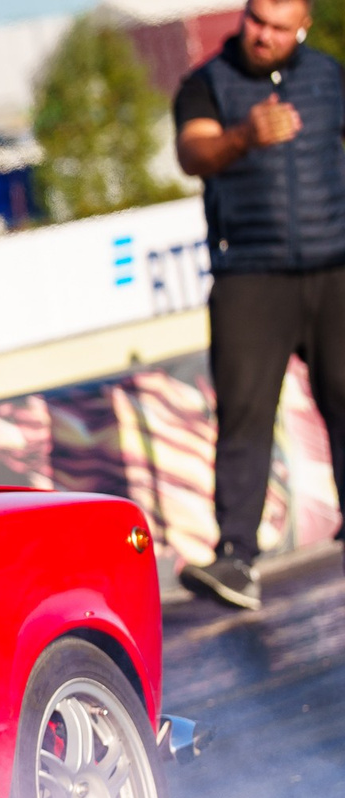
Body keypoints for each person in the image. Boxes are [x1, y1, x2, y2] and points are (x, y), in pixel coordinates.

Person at [174, 0, 345, 611]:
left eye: (278, 26)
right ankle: (237, 560)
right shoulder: (206, 86)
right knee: (245, 416)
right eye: (255, 20)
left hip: (334, 267)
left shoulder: (328, 75)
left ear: (304, 27)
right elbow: (194, 155)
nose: (263, 35)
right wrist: (244, 135)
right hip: (250, 276)